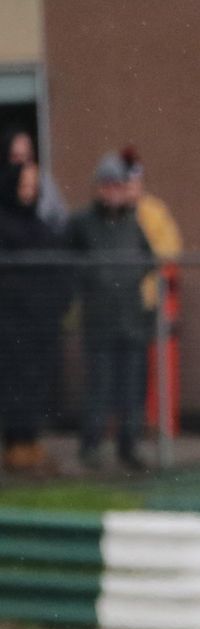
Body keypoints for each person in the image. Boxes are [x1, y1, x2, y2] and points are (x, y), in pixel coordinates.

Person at [66, 153, 155, 470]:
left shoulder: (133, 222)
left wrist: (127, 278)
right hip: (99, 320)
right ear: (98, 189)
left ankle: (128, 448)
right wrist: (94, 280)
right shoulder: (81, 224)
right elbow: (65, 262)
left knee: (131, 388)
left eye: (118, 185)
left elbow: (150, 259)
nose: (113, 191)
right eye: (107, 185)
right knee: (99, 386)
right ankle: (91, 446)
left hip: (131, 318)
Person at [0, 160, 70, 475]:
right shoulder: (5, 224)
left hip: (38, 323)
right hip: (11, 322)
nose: (28, 192)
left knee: (33, 382)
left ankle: (28, 441)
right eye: (23, 185)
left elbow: (56, 266)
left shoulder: (41, 226)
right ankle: (15, 443)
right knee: (13, 383)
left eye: (33, 186)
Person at [122, 148, 184, 439]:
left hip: (149, 301)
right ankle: (129, 424)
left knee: (152, 366)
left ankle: (154, 422)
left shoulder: (154, 211)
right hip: (121, 303)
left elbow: (171, 248)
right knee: (126, 367)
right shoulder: (111, 213)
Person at [5, 129, 67, 230]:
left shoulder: (45, 181)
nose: (22, 161)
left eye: (26, 156)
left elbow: (61, 219)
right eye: (16, 157)